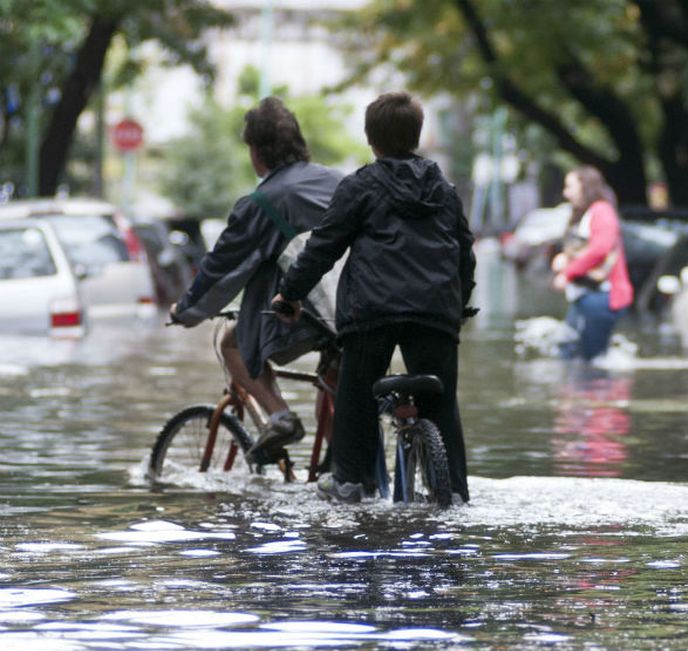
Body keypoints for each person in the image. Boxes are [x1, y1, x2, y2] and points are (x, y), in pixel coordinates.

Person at [271, 91, 477, 505]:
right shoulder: (444, 189)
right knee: (441, 402)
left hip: (372, 311)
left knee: (357, 396)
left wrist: (289, 294)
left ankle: (350, 481)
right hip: (435, 310)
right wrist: (459, 306)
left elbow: (323, 248)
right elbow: (464, 254)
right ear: (417, 135)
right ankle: (453, 489)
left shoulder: (360, 186)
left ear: (370, 138)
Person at [170, 97, 342, 465]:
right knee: (333, 411)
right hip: (357, 307)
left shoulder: (262, 202)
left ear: (257, 151)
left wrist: (186, 311)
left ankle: (280, 417)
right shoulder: (339, 182)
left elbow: (221, 267)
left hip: (302, 312)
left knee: (233, 341)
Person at [551, 166, 633, 361]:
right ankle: (576, 390)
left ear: (584, 187)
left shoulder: (602, 211)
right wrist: (565, 258)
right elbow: (586, 248)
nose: (565, 193)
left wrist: (567, 273)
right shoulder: (588, 214)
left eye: (569, 187)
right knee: (568, 351)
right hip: (587, 296)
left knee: (589, 360)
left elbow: (600, 249)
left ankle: (594, 390)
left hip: (602, 297)